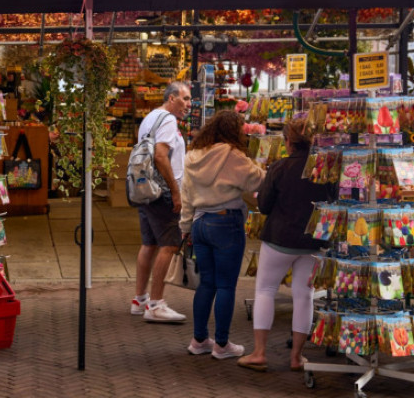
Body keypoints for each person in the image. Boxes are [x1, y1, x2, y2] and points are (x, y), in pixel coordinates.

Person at [238, 118, 334, 372]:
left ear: (288, 142)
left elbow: (265, 206)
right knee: (304, 296)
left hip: (279, 239)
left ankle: (259, 352)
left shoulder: (279, 167)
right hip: (312, 241)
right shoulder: (323, 169)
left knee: (265, 290)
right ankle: (296, 357)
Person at [179, 110, 265, 359]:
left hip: (199, 223)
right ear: (232, 131)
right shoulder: (233, 155)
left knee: (207, 283)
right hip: (226, 222)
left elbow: (186, 196)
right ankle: (222, 344)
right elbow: (257, 181)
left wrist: (185, 228)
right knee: (226, 285)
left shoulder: (193, 155)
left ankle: (199, 340)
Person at [131, 81, 192, 323]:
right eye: (185, 99)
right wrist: (176, 192)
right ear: (171, 98)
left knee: (149, 244)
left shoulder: (150, 117)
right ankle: (156, 304)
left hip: (147, 190)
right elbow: (160, 155)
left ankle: (140, 299)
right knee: (168, 245)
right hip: (162, 192)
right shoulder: (167, 119)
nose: (189, 104)